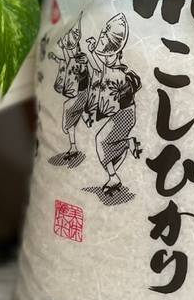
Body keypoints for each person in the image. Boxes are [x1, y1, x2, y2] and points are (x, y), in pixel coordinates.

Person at [84, 13, 142, 195]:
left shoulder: (117, 73)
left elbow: (99, 68)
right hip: (125, 114)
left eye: (108, 55)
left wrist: (92, 52)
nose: (105, 58)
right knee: (104, 142)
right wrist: (93, 52)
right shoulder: (114, 70)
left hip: (124, 115)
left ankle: (119, 161)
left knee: (101, 141)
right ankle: (113, 174)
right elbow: (99, 68)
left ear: (117, 54)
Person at [48, 17, 90, 161]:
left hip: (82, 95)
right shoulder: (70, 59)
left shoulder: (80, 59)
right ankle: (73, 147)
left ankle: (84, 117)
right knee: (70, 121)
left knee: (68, 113)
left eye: (69, 47)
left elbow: (83, 70)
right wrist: (55, 58)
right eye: (66, 48)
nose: (67, 51)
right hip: (78, 96)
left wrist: (84, 63)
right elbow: (64, 62)